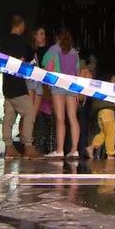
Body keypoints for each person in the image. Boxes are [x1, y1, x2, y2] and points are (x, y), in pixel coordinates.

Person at [0, 15, 42, 159]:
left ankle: (9, 148)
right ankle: (28, 147)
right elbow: (26, 61)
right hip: (18, 85)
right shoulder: (21, 42)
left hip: (6, 86)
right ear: (20, 25)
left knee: (9, 117)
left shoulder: (4, 41)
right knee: (29, 112)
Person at [42, 28, 81, 158]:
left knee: (60, 118)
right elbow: (77, 71)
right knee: (73, 117)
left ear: (57, 37)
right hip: (72, 85)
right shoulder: (75, 52)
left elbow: (44, 64)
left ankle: (60, 150)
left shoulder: (53, 49)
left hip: (58, 85)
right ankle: (74, 150)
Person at [85, 74, 115, 160]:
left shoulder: (102, 88)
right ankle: (110, 154)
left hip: (101, 112)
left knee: (104, 132)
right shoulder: (109, 89)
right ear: (111, 80)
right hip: (107, 111)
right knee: (111, 132)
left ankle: (92, 147)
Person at [26, 25, 50, 117]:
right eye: (41, 34)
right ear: (34, 35)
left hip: (42, 84)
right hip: (32, 84)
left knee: (35, 115)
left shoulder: (48, 50)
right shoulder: (30, 50)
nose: (43, 36)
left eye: (44, 34)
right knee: (29, 114)